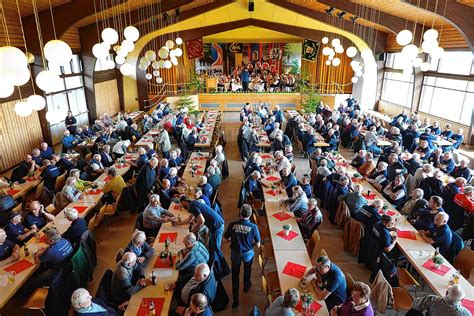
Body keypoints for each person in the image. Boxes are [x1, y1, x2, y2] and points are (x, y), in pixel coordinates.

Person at [177, 197, 229, 278]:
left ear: (184, 201)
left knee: (216, 249)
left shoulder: (193, 206)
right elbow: (188, 220)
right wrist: (177, 223)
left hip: (217, 227)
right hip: (214, 226)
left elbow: (202, 220)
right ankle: (215, 268)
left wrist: (193, 230)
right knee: (212, 248)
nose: (182, 206)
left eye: (181, 203)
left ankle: (225, 270)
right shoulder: (193, 204)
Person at [224, 204, 261, 308]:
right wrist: (250, 244)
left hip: (235, 253)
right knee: (247, 270)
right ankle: (246, 286)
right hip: (247, 253)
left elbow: (225, 239)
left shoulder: (232, 224)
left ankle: (235, 300)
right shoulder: (253, 227)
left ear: (240, 213)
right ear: (250, 215)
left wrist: (232, 239)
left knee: (235, 275)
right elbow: (258, 245)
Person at [24, 228, 73, 295]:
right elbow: (51, 247)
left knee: (37, 280)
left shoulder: (51, 251)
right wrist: (44, 250)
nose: (44, 239)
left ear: (51, 241)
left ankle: (25, 293)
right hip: (67, 265)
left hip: (58, 271)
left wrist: (38, 253)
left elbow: (36, 261)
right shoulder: (64, 240)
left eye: (46, 238)